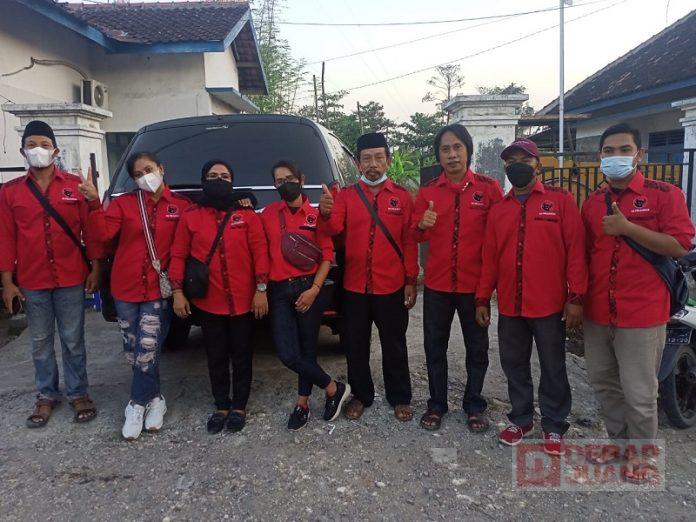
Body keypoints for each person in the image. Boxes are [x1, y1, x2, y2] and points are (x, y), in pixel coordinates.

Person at [581, 123, 694, 480]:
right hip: (598, 310)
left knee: (640, 390)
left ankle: (643, 456)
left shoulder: (665, 195)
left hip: (642, 312)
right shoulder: (592, 203)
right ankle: (617, 443)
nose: (616, 156)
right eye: (609, 151)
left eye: (624, 149)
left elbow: (680, 245)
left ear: (639, 155)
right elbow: (586, 253)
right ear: (600, 156)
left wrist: (629, 228)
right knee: (604, 382)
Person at [475, 138, 587, 455]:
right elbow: (490, 258)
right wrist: (482, 298)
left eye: (524, 160)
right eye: (511, 162)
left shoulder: (560, 201)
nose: (517, 166)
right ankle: (521, 419)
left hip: (549, 304)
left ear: (538, 164)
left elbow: (576, 250)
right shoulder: (499, 210)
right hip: (511, 304)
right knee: (514, 364)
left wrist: (576, 296)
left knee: (553, 366)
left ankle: (554, 424)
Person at [0, 120, 101, 428]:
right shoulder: (10, 192)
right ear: (22, 151)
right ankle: (46, 394)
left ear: (55, 151)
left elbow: (91, 231)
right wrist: (7, 282)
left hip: (71, 277)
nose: (38, 150)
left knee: (73, 340)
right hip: (32, 280)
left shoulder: (74, 186)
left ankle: (78, 393)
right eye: (32, 145)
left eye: (44, 145)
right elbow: (6, 238)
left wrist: (96, 267)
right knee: (40, 342)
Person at [84, 151, 192, 440]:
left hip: (158, 290)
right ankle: (155, 398)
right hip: (126, 287)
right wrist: (94, 202)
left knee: (148, 349)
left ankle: (135, 403)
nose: (145, 176)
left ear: (161, 168)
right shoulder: (124, 204)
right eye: (138, 174)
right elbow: (103, 235)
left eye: (149, 169)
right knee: (133, 351)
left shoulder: (181, 206)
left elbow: (182, 249)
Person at [319, 132, 418, 422]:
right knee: (356, 344)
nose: (372, 164)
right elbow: (333, 230)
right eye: (366, 159)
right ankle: (361, 395)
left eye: (378, 157)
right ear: (358, 164)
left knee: (394, 344)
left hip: (391, 285)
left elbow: (409, 241)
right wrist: (325, 213)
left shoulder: (401, 197)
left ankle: (400, 396)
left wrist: (411, 280)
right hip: (355, 286)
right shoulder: (346, 196)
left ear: (388, 160)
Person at [412, 124, 503, 432]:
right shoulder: (428, 192)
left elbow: (498, 239)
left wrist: (488, 291)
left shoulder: (488, 189)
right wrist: (422, 224)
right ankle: (437, 404)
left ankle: (474, 405)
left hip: (474, 287)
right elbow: (413, 235)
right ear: (438, 156)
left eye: (457, 148)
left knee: (477, 349)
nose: (452, 155)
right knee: (434, 347)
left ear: (468, 150)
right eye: (445, 149)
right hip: (437, 285)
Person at [170, 160, 270, 434]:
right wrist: (177, 292)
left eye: (225, 176)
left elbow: (260, 253)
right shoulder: (191, 216)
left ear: (232, 182)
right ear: (203, 180)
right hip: (208, 301)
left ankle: (239, 406)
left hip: (243, 301)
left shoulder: (246, 214)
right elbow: (178, 255)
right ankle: (221, 405)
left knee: (242, 355)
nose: (219, 180)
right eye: (213, 176)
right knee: (215, 355)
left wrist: (261, 290)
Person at [261, 160, 351, 431]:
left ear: (301, 179)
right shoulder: (268, 214)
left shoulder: (315, 216)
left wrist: (314, 290)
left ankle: (302, 403)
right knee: (288, 354)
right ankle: (333, 387)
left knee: (307, 349)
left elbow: (326, 257)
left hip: (309, 287)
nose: (284, 184)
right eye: (279, 181)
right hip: (279, 290)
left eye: (289, 178)